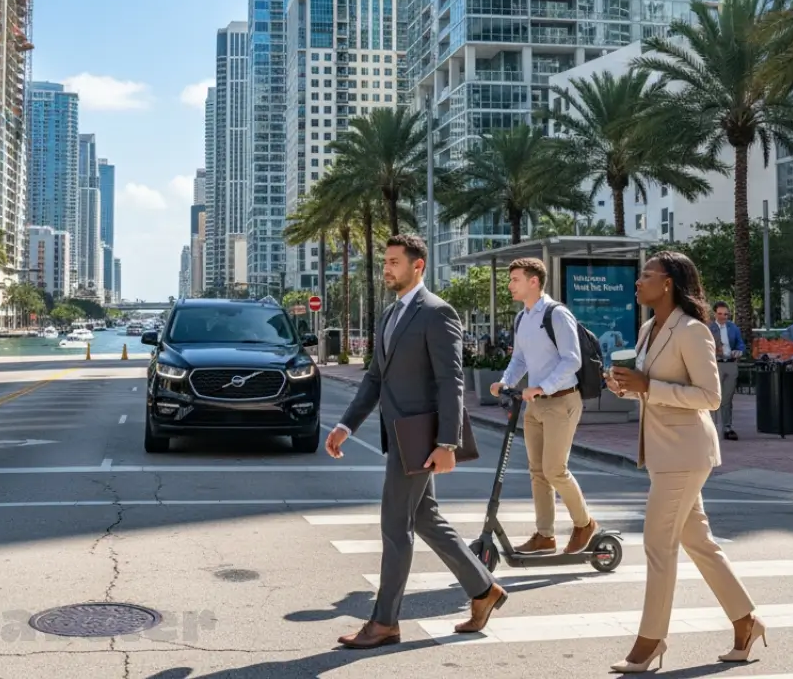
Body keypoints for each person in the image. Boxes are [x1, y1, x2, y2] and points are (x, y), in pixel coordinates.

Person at [325, 234, 506, 649]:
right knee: (425, 519)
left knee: (395, 524)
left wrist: (447, 442)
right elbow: (374, 378)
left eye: (393, 262)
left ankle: (385, 621)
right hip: (401, 438)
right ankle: (484, 589)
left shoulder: (437, 313)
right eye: (385, 262)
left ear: (418, 265)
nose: (386, 268)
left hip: (422, 438)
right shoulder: (389, 314)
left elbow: (451, 382)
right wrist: (345, 426)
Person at [606, 251, 765, 673]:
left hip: (686, 451)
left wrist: (649, 386)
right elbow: (647, 385)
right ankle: (746, 621)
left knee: (659, 545)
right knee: (699, 542)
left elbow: (710, 397)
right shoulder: (647, 329)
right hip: (662, 452)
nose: (638, 282)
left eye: (646, 275)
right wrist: (626, 386)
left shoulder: (693, 331)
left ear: (668, 284)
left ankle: (650, 640)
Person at [489, 257, 598, 556]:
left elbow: (572, 359)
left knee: (555, 469)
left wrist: (542, 387)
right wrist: (505, 381)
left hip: (562, 400)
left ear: (533, 281)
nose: (510, 285)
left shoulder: (557, 314)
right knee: (537, 471)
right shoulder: (523, 317)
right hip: (534, 405)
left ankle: (584, 524)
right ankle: (545, 535)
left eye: (515, 279)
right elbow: (520, 359)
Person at [708, 301, 746, 441]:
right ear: (714, 314)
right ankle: (710, 427)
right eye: (720, 314)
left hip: (730, 363)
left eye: (725, 314)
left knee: (727, 398)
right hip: (715, 364)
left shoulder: (733, 328)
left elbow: (740, 344)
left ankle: (727, 427)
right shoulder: (708, 328)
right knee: (713, 396)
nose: (723, 317)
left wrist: (739, 351)